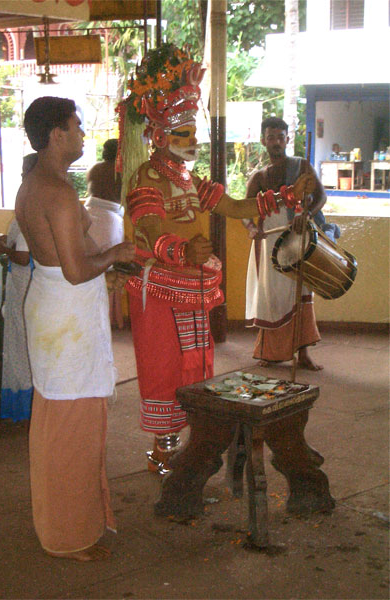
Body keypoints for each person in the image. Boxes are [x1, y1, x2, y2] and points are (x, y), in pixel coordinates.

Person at [116, 45, 315, 475]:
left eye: (193, 132)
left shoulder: (190, 178)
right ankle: (164, 449)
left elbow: (237, 207)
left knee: (197, 365)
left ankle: (193, 445)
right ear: (157, 135)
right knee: (165, 366)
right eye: (182, 133)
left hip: (193, 288)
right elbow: (148, 227)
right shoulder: (145, 178)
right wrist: (181, 250)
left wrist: (284, 197)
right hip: (162, 292)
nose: (192, 141)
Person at [15, 96, 135, 562]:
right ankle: (68, 536)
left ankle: (74, 522)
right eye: (77, 126)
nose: (84, 134)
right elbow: (75, 269)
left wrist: (109, 266)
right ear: (56, 135)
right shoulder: (57, 191)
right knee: (70, 431)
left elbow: (78, 249)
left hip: (57, 312)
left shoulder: (40, 183)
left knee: (68, 424)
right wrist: (116, 257)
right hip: (64, 312)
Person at [243, 116, 326, 370]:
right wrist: (252, 228)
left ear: (287, 139)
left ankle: (303, 355)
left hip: (299, 237)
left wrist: (307, 216)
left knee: (300, 293)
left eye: (280, 137)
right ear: (263, 141)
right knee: (272, 297)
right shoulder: (259, 177)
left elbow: (321, 197)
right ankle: (269, 352)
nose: (276, 142)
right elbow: (245, 212)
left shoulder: (302, 167)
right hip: (269, 242)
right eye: (271, 137)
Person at [0, 153, 38, 422]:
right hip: (24, 283)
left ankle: (27, 406)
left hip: (25, 283)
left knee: (22, 345)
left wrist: (2, 250)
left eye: (24, 173)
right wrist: (8, 242)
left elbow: (24, 257)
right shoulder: (30, 204)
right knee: (21, 343)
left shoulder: (31, 205)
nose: (21, 178)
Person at [85, 138, 125, 328]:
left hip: (89, 214)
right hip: (109, 220)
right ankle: (105, 319)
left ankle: (97, 317)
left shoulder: (95, 169)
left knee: (95, 264)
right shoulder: (119, 172)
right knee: (110, 266)